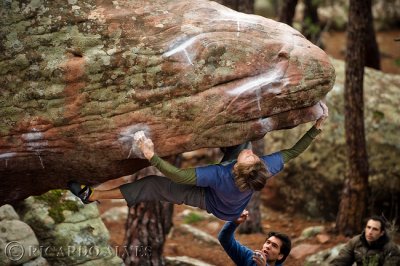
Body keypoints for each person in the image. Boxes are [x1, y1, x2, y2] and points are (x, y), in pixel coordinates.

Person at [69, 102, 328, 221]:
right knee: (244, 139)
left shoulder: (219, 177)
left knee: (153, 185)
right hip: (234, 196)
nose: (254, 154)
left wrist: (151, 156)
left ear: (237, 168)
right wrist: (316, 128)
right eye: (255, 157)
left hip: (215, 203)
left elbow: (178, 177)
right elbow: (293, 152)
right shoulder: (261, 168)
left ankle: (90, 195)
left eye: (250, 158)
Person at [218, 209, 291, 266]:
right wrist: (234, 222)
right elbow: (224, 239)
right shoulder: (249, 257)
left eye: (274, 246)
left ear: (280, 256)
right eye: (268, 242)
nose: (268, 246)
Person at [331, 215, 400, 266]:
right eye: (368, 227)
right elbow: (340, 262)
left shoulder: (391, 248)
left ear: (381, 233)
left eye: (375, 229)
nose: (370, 232)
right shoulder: (355, 242)